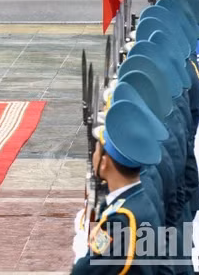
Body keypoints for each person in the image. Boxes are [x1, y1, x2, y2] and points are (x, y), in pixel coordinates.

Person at [71, 100, 164, 274]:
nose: (94, 156)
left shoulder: (121, 219)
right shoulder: (137, 198)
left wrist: (81, 248)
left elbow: (86, 271)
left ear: (104, 163)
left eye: (97, 151)